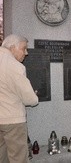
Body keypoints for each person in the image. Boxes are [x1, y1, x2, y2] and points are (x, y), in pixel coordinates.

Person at [0, 34, 39, 163]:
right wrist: (34, 96)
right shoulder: (14, 66)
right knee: (18, 159)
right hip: (13, 122)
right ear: (12, 48)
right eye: (24, 48)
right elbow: (31, 100)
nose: (26, 53)